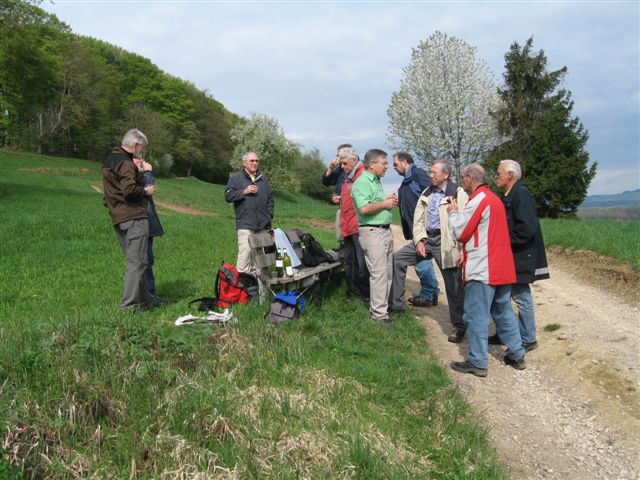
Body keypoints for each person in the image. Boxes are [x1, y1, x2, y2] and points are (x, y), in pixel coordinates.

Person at [447, 163, 526, 377]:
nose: (462, 182)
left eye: (463, 178)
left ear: (470, 179)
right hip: (501, 266)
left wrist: (453, 213)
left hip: (483, 267)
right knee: (503, 311)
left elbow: (462, 233)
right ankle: (517, 353)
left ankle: (478, 361)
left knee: (475, 315)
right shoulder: (494, 199)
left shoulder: (479, 200)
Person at [491, 159, 550, 352]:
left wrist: (504, 241)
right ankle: (506, 333)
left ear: (510, 175)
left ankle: (528, 338)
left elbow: (527, 228)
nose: (496, 176)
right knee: (504, 296)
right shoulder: (512, 193)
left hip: (521, 255)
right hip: (513, 255)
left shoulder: (520, 194)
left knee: (521, 296)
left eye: (499, 173)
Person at [102, 128, 161, 310]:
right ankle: (129, 306)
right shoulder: (126, 164)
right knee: (136, 262)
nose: (141, 152)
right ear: (135, 145)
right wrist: (146, 190)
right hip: (133, 217)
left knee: (138, 260)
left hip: (118, 217)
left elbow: (110, 193)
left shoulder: (110, 160)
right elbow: (129, 190)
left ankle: (147, 299)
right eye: (141, 148)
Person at [413, 160, 468, 343]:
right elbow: (418, 219)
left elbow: (464, 221)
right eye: (430, 172)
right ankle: (394, 307)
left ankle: (459, 325)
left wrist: (460, 247)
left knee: (453, 285)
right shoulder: (426, 193)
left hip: (446, 242)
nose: (430, 175)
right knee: (397, 259)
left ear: (446, 175)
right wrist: (420, 239)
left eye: (434, 172)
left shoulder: (458, 193)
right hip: (427, 239)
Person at [351, 149, 398, 324]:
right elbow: (363, 209)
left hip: (383, 231)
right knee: (379, 274)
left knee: (386, 273)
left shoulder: (375, 181)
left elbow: (373, 204)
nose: (387, 167)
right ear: (372, 164)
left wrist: (386, 201)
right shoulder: (362, 182)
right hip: (372, 233)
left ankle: (381, 310)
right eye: (384, 163)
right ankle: (379, 315)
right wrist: (385, 203)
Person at [389, 152, 440, 312]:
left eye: (395, 163)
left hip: (424, 229)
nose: (393, 167)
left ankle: (428, 294)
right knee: (421, 261)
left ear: (404, 162)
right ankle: (430, 292)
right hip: (415, 228)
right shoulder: (407, 181)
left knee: (422, 262)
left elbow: (432, 195)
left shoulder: (417, 174)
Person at [224, 152, 274, 274]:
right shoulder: (235, 178)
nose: (255, 163)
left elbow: (271, 199)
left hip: (262, 225)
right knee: (245, 256)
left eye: (256, 161)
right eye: (252, 161)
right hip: (245, 224)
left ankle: (261, 289)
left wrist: (269, 215)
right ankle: (242, 288)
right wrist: (244, 191)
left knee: (261, 259)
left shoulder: (264, 180)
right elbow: (228, 196)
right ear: (244, 163)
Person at [338, 147, 369, 301]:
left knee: (361, 262)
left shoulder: (362, 174)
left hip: (358, 226)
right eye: (341, 164)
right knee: (350, 261)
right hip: (347, 226)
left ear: (353, 159)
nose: (342, 167)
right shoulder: (349, 176)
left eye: (344, 163)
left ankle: (364, 294)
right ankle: (353, 291)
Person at [133, 156, 164, 295]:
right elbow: (147, 187)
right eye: (137, 158)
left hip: (147, 223)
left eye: (142, 158)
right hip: (140, 222)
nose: (141, 161)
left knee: (148, 259)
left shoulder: (137, 174)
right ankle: (147, 294)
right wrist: (148, 172)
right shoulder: (133, 174)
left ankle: (148, 293)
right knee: (144, 260)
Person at [322, 143, 351, 249]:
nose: (339, 158)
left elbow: (355, 189)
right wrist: (330, 168)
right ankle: (343, 248)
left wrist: (343, 197)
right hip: (343, 205)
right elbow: (326, 182)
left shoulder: (357, 169)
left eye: (341, 155)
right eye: (338, 155)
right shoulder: (339, 169)